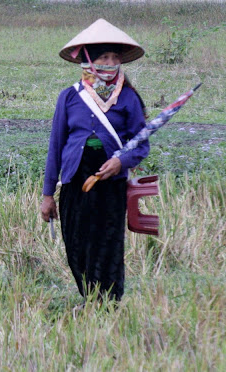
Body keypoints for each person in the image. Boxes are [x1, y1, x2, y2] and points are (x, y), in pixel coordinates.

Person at [40, 19, 150, 303]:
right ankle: (90, 296)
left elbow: (141, 144)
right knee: (76, 243)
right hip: (76, 178)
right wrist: (47, 194)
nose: (110, 63)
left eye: (115, 57)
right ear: (88, 59)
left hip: (110, 181)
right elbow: (55, 147)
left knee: (108, 244)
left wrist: (121, 162)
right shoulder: (69, 98)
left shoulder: (128, 98)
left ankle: (109, 302)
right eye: (103, 57)